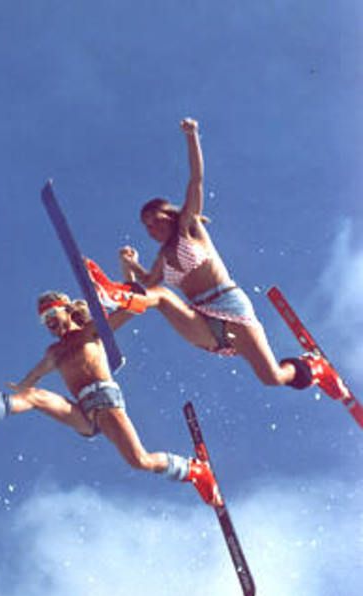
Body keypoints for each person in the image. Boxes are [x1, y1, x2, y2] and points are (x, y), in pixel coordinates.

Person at [109, 118, 348, 401]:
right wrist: (128, 265)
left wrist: (191, 135)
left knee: (272, 377)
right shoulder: (162, 257)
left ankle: (313, 368)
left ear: (169, 215)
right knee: (158, 295)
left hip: (228, 305)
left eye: (154, 220)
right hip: (201, 318)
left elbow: (196, 179)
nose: (151, 228)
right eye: (146, 227)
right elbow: (146, 283)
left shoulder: (189, 226)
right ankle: (113, 302)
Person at [0, 289, 222, 505]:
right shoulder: (54, 352)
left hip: (106, 402)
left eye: (52, 317)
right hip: (83, 412)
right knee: (35, 397)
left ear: (67, 311)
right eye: (45, 323)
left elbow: (128, 311)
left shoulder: (90, 332)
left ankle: (195, 471)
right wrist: (19, 386)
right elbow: (31, 379)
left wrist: (127, 293)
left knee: (139, 460)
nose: (50, 325)